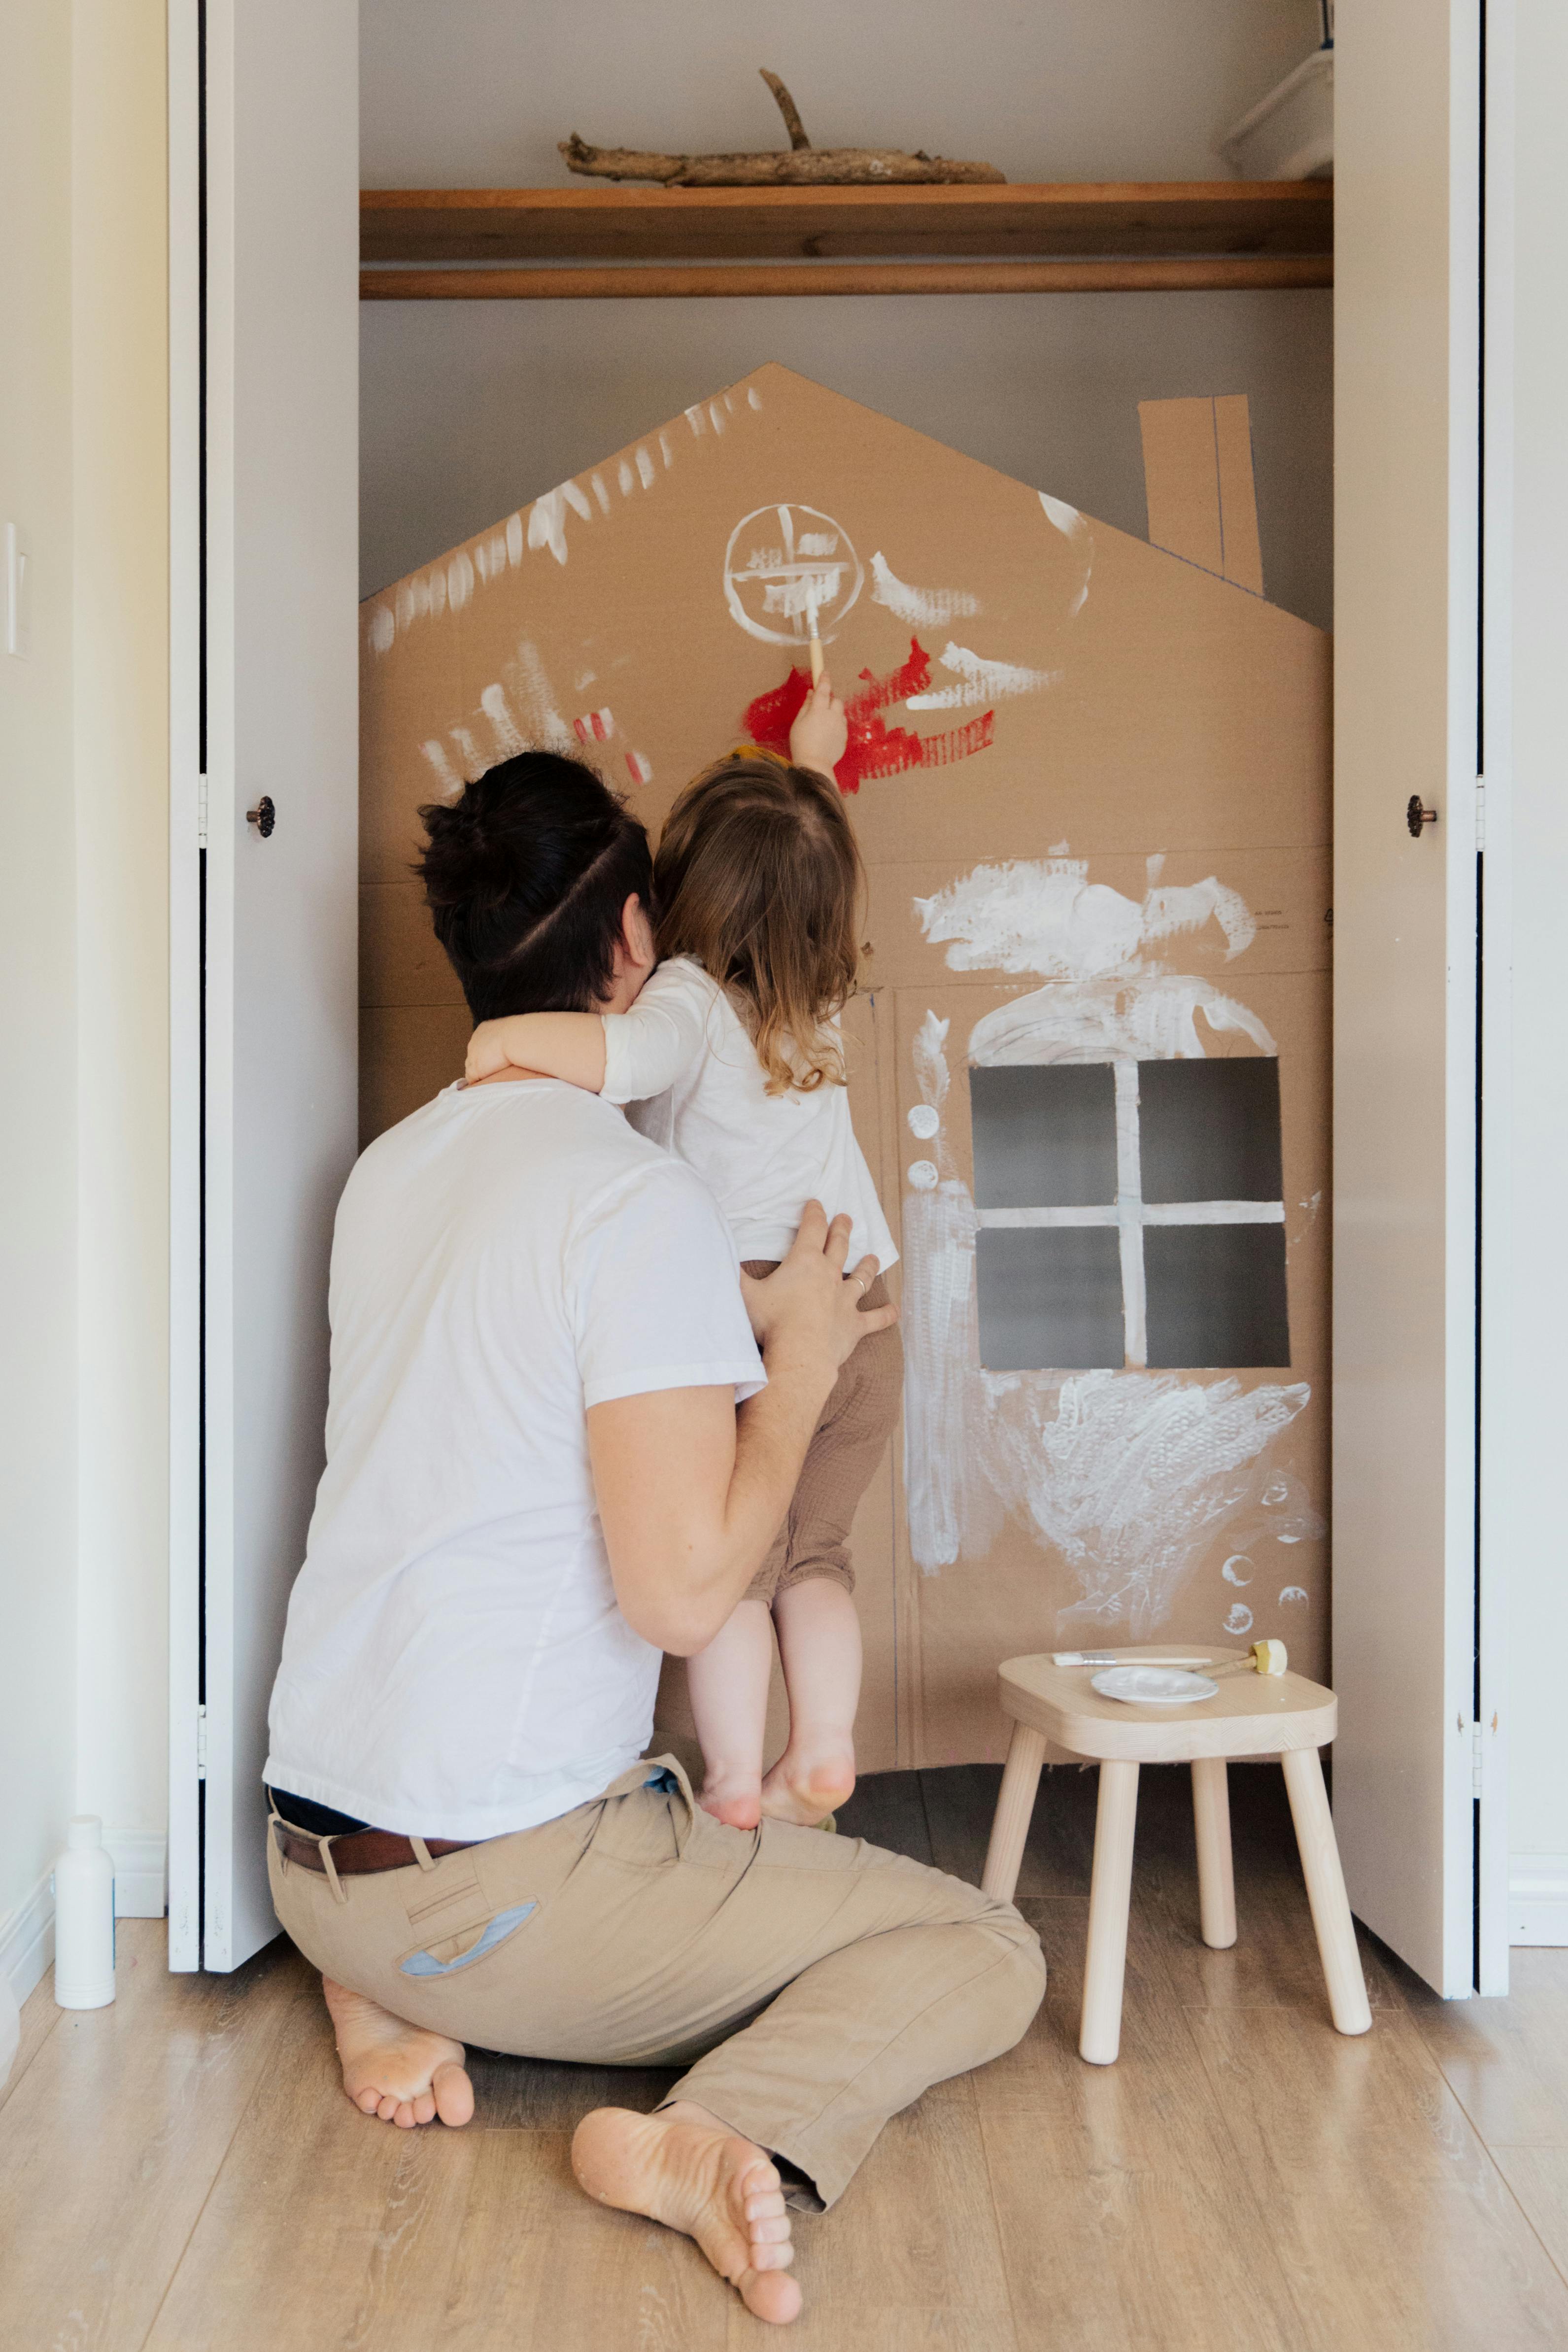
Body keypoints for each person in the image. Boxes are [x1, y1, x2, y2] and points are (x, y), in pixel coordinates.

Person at [262, 746, 1045, 2326]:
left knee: (660, 1771)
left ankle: (380, 1980)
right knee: (982, 1946)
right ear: (634, 943)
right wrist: (805, 1354)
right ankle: (702, 2130)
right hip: (489, 1883)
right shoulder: (636, 1205)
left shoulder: (389, 1169)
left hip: (305, 1854)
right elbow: (685, 1590)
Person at [462, 676, 897, 1835]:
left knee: (743, 1568)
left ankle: (738, 1777)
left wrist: (502, 1035)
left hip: (749, 1317)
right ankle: (830, 1743)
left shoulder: (691, 1000)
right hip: (864, 1307)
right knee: (821, 1557)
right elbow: (812, 856)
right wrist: (817, 770)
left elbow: (614, 1058)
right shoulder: (825, 992)